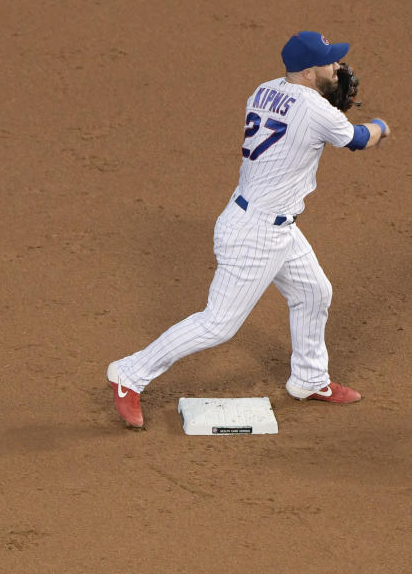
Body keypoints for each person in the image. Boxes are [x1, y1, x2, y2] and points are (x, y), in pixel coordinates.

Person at [107, 31, 390, 428]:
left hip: (270, 221)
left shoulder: (264, 90)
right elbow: (359, 139)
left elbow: (299, 121)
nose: (337, 68)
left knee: (314, 292)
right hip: (255, 233)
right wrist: (381, 125)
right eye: (328, 63)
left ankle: (309, 379)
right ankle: (130, 374)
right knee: (217, 324)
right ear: (308, 73)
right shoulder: (314, 108)